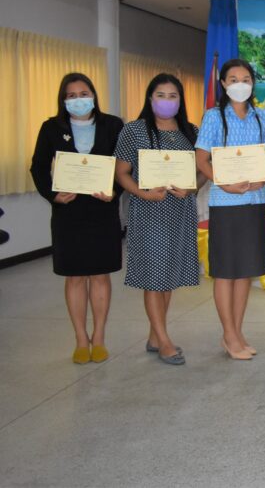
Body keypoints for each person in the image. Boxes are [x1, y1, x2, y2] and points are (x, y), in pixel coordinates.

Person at [30, 72, 123, 364]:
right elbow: (38, 167)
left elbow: (126, 166)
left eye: (83, 94)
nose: (78, 100)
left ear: (93, 95)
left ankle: (99, 337)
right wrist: (53, 195)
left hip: (102, 212)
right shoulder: (51, 127)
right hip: (68, 214)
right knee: (74, 276)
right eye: (71, 96)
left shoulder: (113, 125)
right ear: (63, 100)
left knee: (100, 275)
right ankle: (81, 339)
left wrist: (115, 191)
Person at [114, 74, 204, 366]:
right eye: (161, 95)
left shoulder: (190, 131)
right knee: (154, 276)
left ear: (181, 100)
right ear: (150, 98)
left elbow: (203, 170)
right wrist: (144, 193)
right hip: (149, 211)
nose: (167, 101)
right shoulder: (134, 130)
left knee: (168, 275)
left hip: (180, 212)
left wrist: (192, 187)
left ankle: (155, 335)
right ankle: (164, 341)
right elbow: (121, 173)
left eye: (173, 96)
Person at [195, 59, 265, 361]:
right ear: (223, 84)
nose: (240, 84)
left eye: (246, 79)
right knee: (225, 272)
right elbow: (201, 158)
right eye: (233, 79)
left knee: (245, 271)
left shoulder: (261, 116)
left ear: (253, 83)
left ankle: (237, 332)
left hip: (256, 201)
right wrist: (224, 182)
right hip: (226, 202)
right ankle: (229, 334)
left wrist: (262, 175)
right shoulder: (214, 116)